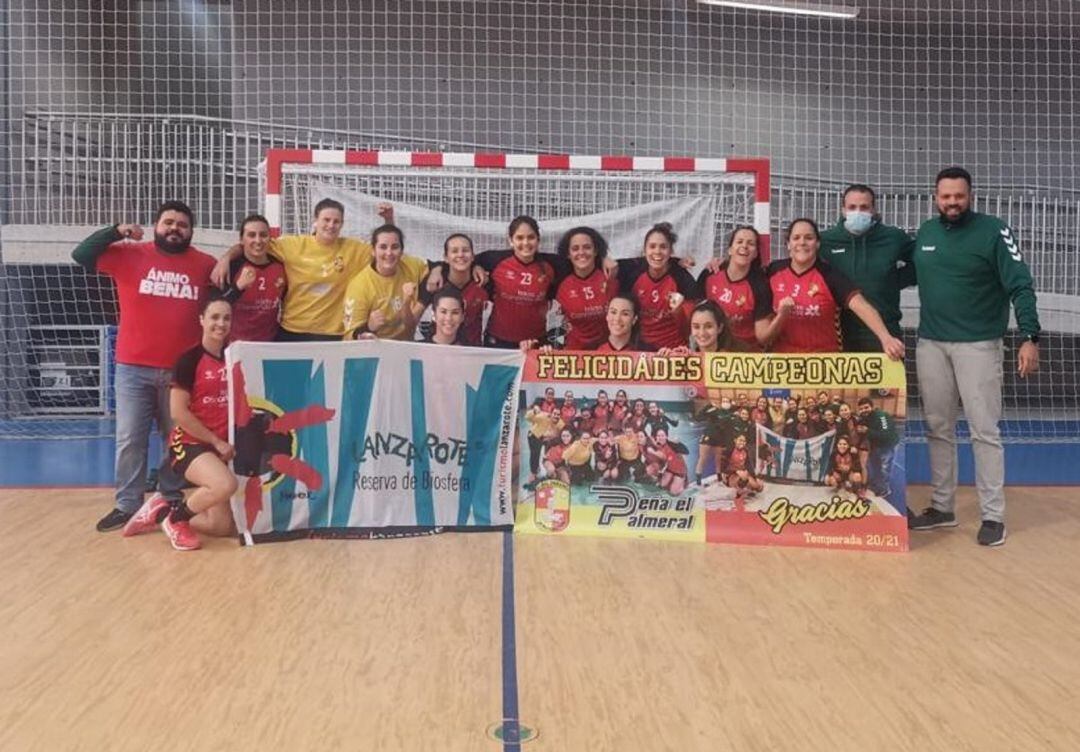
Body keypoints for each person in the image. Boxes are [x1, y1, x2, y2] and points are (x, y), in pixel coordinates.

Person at [908, 167, 1041, 547]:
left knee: (984, 431)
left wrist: (1030, 336)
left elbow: (1021, 283)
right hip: (931, 344)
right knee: (937, 428)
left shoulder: (994, 230)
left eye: (959, 196)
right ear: (935, 197)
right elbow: (900, 274)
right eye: (946, 196)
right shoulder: (927, 234)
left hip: (979, 346)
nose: (952, 202)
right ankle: (942, 507)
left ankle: (993, 516)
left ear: (971, 196)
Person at [71, 201, 216, 532]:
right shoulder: (129, 254)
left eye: (182, 224)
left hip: (180, 374)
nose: (175, 228)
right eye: (169, 222)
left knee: (176, 439)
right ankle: (127, 504)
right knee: (129, 438)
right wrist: (114, 230)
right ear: (156, 225)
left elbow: (227, 287)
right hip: (133, 368)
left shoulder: (204, 264)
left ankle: (170, 498)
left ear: (191, 231)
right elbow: (81, 255)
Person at [122, 297, 238, 550]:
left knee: (221, 528)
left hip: (219, 448)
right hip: (189, 443)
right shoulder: (189, 360)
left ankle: (161, 512)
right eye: (214, 317)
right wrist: (216, 441)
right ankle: (177, 520)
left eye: (226, 318)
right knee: (226, 484)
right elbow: (178, 413)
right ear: (202, 321)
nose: (221, 323)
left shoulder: (234, 357)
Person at [210, 199, 402, 341]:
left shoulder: (354, 250)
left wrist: (389, 221)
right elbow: (254, 244)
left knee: (325, 394)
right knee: (290, 393)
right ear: (315, 221)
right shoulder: (292, 245)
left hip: (332, 335)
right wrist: (227, 257)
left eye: (336, 221)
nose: (331, 225)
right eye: (326, 220)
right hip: (293, 331)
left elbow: (385, 248)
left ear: (342, 224)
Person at [766, 218, 905, 358]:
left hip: (825, 362)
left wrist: (886, 338)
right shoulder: (773, 271)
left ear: (817, 243)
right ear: (788, 244)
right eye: (796, 238)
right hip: (782, 363)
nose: (802, 242)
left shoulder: (830, 276)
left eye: (809, 238)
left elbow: (861, 305)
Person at [819, 184, 917, 352]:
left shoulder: (893, 237)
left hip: (886, 332)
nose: (858, 211)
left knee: (888, 379)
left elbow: (921, 263)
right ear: (843, 210)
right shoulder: (825, 241)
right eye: (852, 207)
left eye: (864, 207)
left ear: (873, 210)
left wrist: (893, 280)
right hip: (840, 332)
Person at [616, 223, 701, 350]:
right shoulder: (632, 273)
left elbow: (690, 327)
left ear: (671, 251)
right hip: (640, 349)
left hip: (673, 349)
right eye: (652, 246)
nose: (657, 251)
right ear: (644, 251)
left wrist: (678, 312)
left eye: (663, 247)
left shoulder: (682, 278)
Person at [343, 224, 430, 340]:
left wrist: (421, 304)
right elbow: (349, 337)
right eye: (383, 247)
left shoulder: (411, 265)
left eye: (395, 247)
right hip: (374, 352)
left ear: (402, 251)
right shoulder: (359, 286)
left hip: (406, 349)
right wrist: (368, 327)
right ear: (373, 251)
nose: (389, 253)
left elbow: (438, 270)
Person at [697, 226, 779, 350]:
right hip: (713, 352)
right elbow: (695, 318)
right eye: (739, 241)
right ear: (730, 249)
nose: (744, 246)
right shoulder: (710, 274)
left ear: (756, 253)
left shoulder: (760, 286)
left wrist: (782, 314)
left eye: (750, 243)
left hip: (744, 356)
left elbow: (762, 336)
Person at [220, 214, 286, 342]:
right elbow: (215, 306)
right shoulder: (230, 267)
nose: (258, 240)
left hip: (268, 344)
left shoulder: (281, 267)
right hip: (235, 345)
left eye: (263, 235)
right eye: (251, 235)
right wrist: (237, 287)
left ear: (270, 238)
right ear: (241, 240)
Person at [553, 226, 619, 349]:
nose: (581, 252)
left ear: (595, 251)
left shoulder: (610, 278)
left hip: (606, 355)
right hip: (575, 356)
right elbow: (556, 327)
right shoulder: (564, 287)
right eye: (575, 248)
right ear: (568, 254)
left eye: (587, 247)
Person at [418, 233, 489, 346]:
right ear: (446, 258)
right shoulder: (435, 281)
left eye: (465, 250)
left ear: (473, 256)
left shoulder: (482, 281)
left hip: (473, 352)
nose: (460, 255)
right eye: (454, 251)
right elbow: (413, 318)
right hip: (437, 350)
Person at [856, 397, 899, 501]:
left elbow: (886, 435)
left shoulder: (881, 416)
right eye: (861, 409)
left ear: (872, 407)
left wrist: (868, 431)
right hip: (875, 445)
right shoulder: (865, 417)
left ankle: (885, 489)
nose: (864, 410)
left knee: (884, 468)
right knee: (875, 467)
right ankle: (877, 485)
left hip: (887, 445)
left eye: (866, 407)